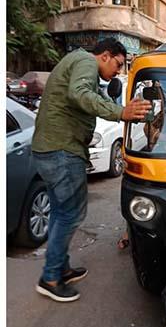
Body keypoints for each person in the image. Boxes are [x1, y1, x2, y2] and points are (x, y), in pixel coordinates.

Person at [32, 38, 152, 302]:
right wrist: (122, 113)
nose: (118, 72)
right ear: (105, 56)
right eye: (119, 65)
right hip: (62, 151)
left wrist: (123, 109)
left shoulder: (79, 64)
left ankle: (60, 267)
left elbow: (95, 97)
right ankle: (50, 278)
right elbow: (80, 94)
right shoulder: (85, 61)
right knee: (71, 214)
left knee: (60, 213)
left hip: (51, 150)